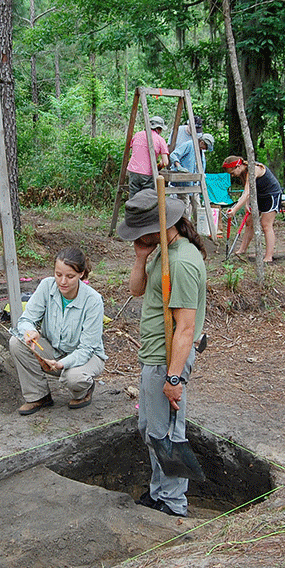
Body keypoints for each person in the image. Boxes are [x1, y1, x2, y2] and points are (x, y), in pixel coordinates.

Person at [117, 189, 207, 518]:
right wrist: (141, 256)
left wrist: (173, 377)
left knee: (166, 432)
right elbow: (137, 290)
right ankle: (160, 492)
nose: (138, 238)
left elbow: (185, 328)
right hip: (153, 357)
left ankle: (171, 503)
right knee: (150, 428)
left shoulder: (181, 262)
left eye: (141, 232)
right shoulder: (162, 251)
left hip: (166, 360)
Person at [9, 247, 107, 415]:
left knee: (74, 378)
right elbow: (26, 320)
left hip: (87, 356)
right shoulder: (47, 286)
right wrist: (30, 332)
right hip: (54, 349)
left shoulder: (93, 301)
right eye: (58, 274)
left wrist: (62, 364)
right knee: (17, 342)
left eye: (70, 276)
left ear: (81, 274)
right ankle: (38, 396)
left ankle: (84, 390)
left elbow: (86, 349)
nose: (62, 281)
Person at [224, 156, 282, 262]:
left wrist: (235, 209)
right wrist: (247, 204)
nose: (232, 176)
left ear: (238, 166)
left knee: (266, 224)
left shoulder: (253, 169)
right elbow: (248, 190)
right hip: (258, 196)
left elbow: (247, 193)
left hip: (271, 195)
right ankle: (242, 250)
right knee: (249, 222)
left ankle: (268, 256)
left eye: (232, 173)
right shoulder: (243, 173)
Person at [126, 115, 170, 197]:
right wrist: (159, 166)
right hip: (147, 173)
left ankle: (132, 209)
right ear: (159, 129)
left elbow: (134, 150)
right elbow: (165, 162)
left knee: (133, 197)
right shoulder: (160, 140)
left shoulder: (137, 135)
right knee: (147, 198)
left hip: (133, 171)